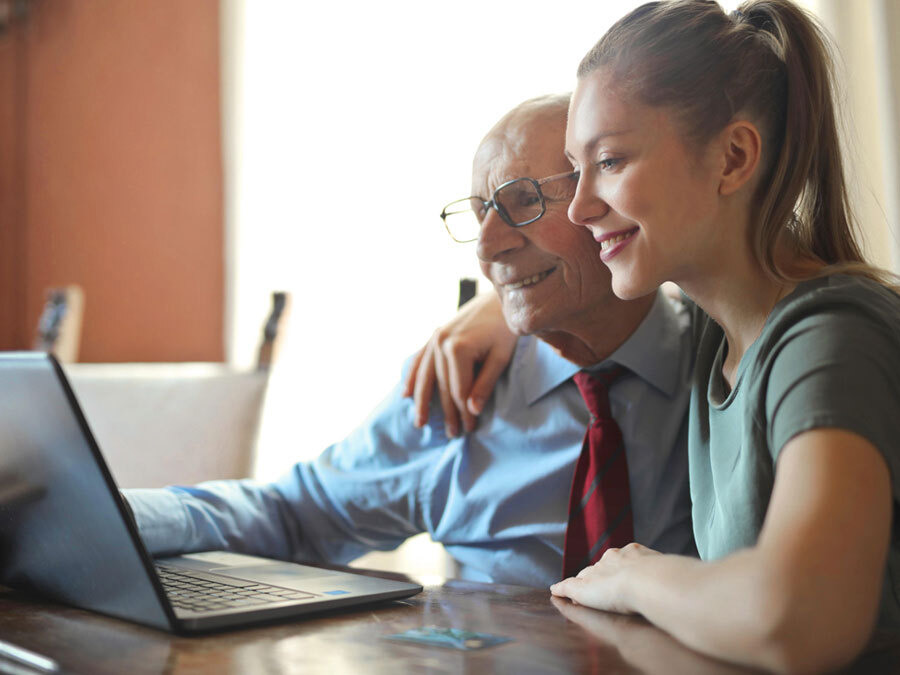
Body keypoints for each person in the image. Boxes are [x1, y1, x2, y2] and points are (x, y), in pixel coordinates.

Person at [411, 1, 900, 671]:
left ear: (732, 158)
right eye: (575, 171)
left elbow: (799, 617)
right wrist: (505, 305)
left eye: (609, 161)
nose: (581, 207)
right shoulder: (718, 335)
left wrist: (634, 574)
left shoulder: (827, 341)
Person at [124, 94, 696, 589]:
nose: (488, 246)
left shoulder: (726, 360)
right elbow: (295, 514)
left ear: (608, 193)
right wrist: (118, 515)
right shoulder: (456, 385)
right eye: (480, 215)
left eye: (523, 200)